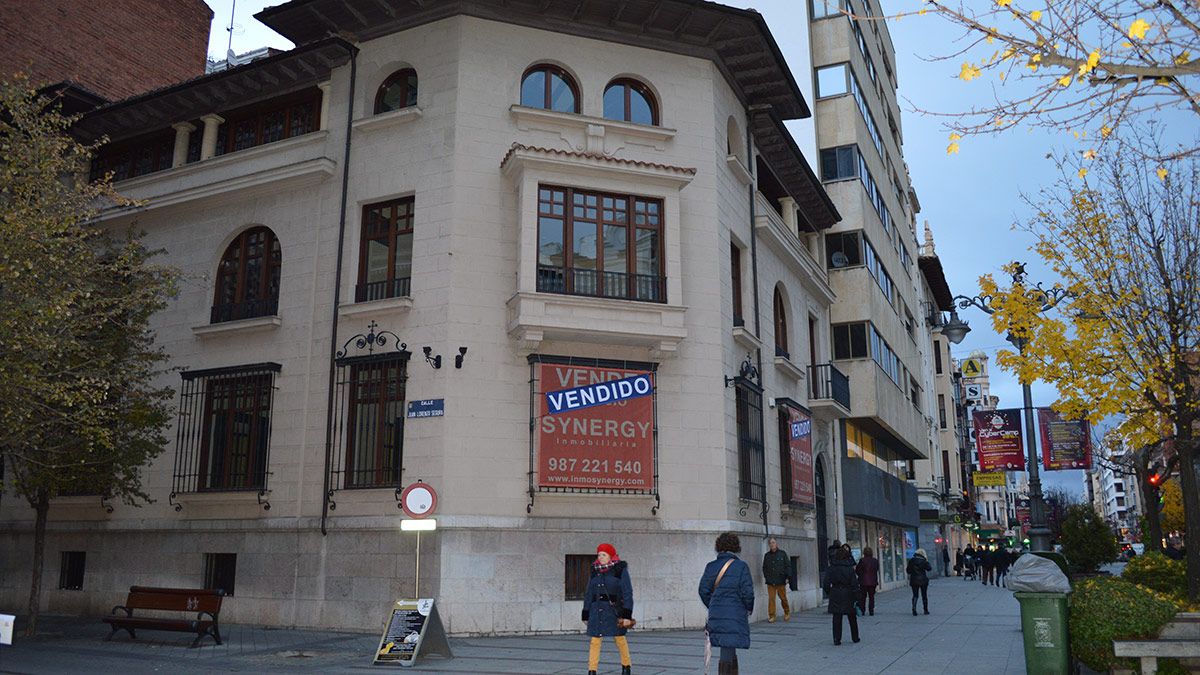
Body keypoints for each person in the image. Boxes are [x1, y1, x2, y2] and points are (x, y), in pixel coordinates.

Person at [699, 532, 754, 675]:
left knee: (728, 646)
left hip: (718, 613)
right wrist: (749, 607)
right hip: (735, 612)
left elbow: (703, 590)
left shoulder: (711, 566)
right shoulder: (741, 566)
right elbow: (748, 592)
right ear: (736, 547)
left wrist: (714, 605)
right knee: (728, 646)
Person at [581, 543, 634, 675]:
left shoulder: (619, 570)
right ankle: (592, 670)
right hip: (596, 610)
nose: (601, 557)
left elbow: (627, 592)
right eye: (599, 554)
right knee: (595, 640)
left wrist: (627, 614)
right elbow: (589, 593)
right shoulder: (595, 570)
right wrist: (585, 613)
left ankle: (626, 666)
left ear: (610, 555)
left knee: (619, 639)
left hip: (614, 611)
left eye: (603, 554)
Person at [824, 547, 860, 645]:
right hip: (848, 593)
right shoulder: (849, 568)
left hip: (835, 592)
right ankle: (855, 637)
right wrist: (857, 596)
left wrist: (829, 593)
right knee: (852, 617)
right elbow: (854, 584)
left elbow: (826, 583)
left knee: (836, 617)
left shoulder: (832, 568)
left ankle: (837, 638)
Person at [761, 538, 792, 623]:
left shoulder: (782, 554)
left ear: (776, 543)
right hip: (770, 581)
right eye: (770, 543)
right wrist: (766, 577)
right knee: (771, 599)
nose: (772, 544)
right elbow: (764, 567)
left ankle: (787, 611)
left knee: (783, 598)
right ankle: (772, 615)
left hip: (781, 580)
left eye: (773, 542)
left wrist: (787, 577)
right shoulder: (767, 555)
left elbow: (788, 566)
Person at [854, 546, 880, 616]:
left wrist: (860, 575)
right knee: (871, 597)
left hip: (863, 581)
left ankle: (863, 610)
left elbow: (857, 570)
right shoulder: (875, 561)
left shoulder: (862, 560)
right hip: (872, 581)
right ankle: (871, 610)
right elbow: (876, 569)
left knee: (863, 597)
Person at [906, 548, 932, 616]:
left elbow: (908, 571)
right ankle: (925, 610)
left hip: (914, 580)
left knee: (915, 595)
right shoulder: (924, 561)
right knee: (924, 595)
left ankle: (914, 609)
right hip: (923, 580)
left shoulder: (911, 560)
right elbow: (929, 569)